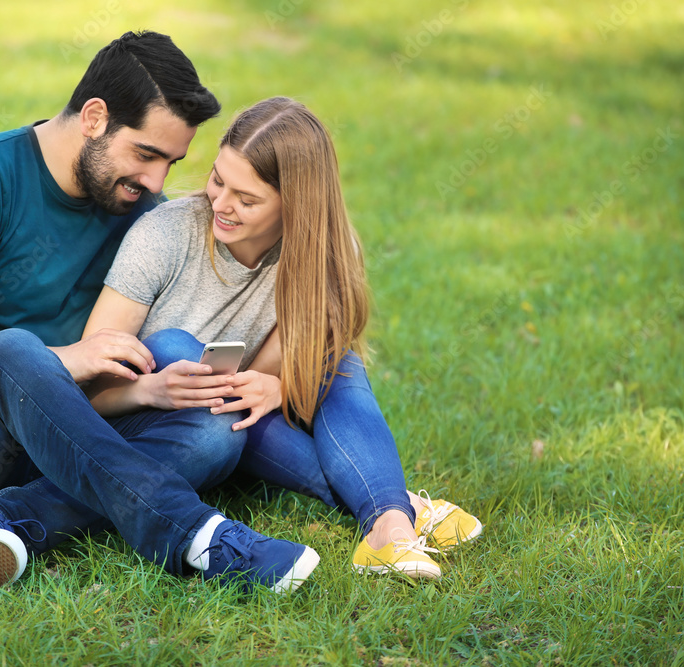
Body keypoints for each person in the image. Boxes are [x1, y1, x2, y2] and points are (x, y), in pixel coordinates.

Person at [0, 34, 320, 594]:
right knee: (16, 350)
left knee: (212, 433)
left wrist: (166, 388)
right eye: (146, 155)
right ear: (94, 117)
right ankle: (198, 535)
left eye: (171, 163)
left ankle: (1, 521)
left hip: (60, 439)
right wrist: (60, 359)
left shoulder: (141, 210)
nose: (157, 183)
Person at [83, 97, 482, 580]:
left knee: (338, 362)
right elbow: (87, 389)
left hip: (243, 423)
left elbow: (288, 368)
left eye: (246, 199)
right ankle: (401, 509)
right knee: (171, 348)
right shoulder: (163, 235)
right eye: (217, 179)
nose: (221, 205)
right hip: (159, 423)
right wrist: (154, 388)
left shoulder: (321, 253)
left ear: (295, 205)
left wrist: (281, 387)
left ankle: (388, 531)